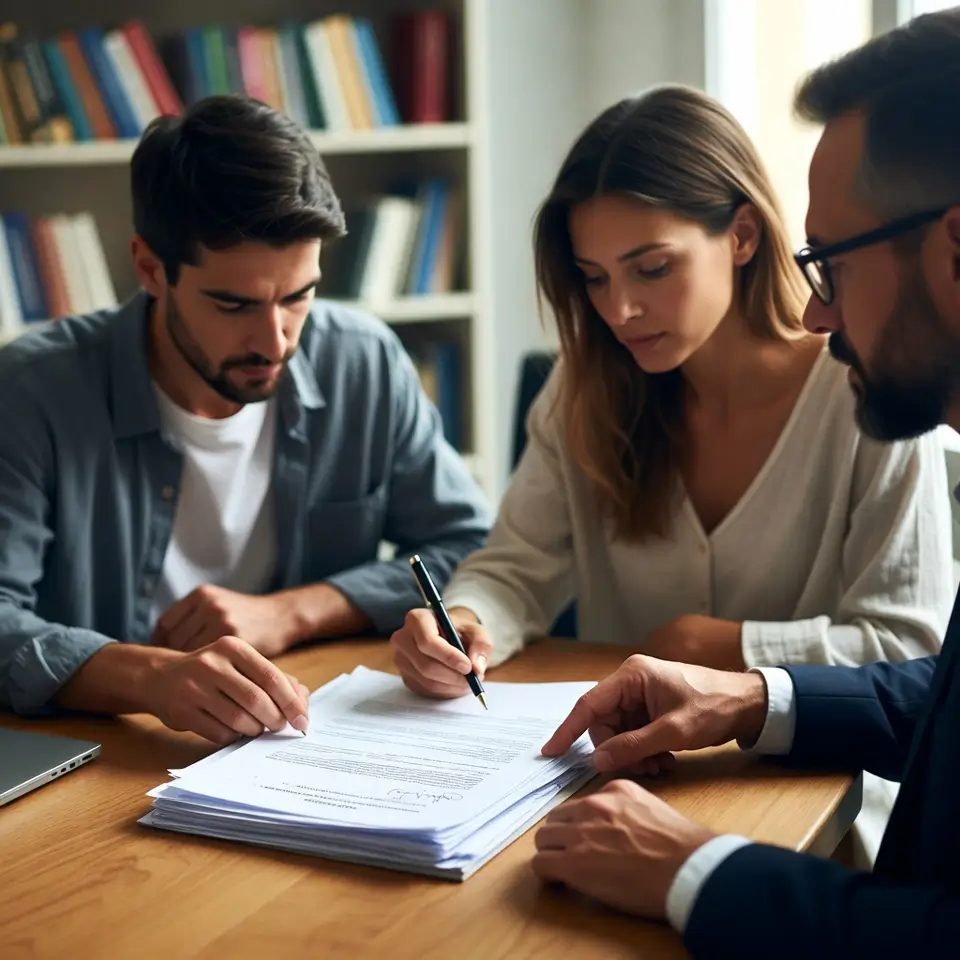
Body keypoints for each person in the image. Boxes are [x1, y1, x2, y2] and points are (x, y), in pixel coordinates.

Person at [388, 84, 954, 866]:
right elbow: (514, 569)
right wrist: (465, 620)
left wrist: (719, 645)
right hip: (619, 786)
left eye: (651, 268)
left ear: (742, 236)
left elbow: (909, 648)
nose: (619, 310)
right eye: (594, 277)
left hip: (819, 817)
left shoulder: (869, 394)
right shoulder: (583, 390)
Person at [526, 8, 960, 956]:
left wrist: (694, 867)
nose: (816, 315)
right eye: (596, 278)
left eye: (833, 264)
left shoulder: (868, 413)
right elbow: (939, 693)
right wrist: (752, 698)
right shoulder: (588, 390)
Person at [0, 95, 491, 744]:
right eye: (234, 305)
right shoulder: (32, 392)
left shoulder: (363, 363)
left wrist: (294, 612)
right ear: (150, 268)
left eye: (299, 296)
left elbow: (470, 544)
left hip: (304, 737)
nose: (276, 340)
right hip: (102, 753)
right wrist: (151, 677)